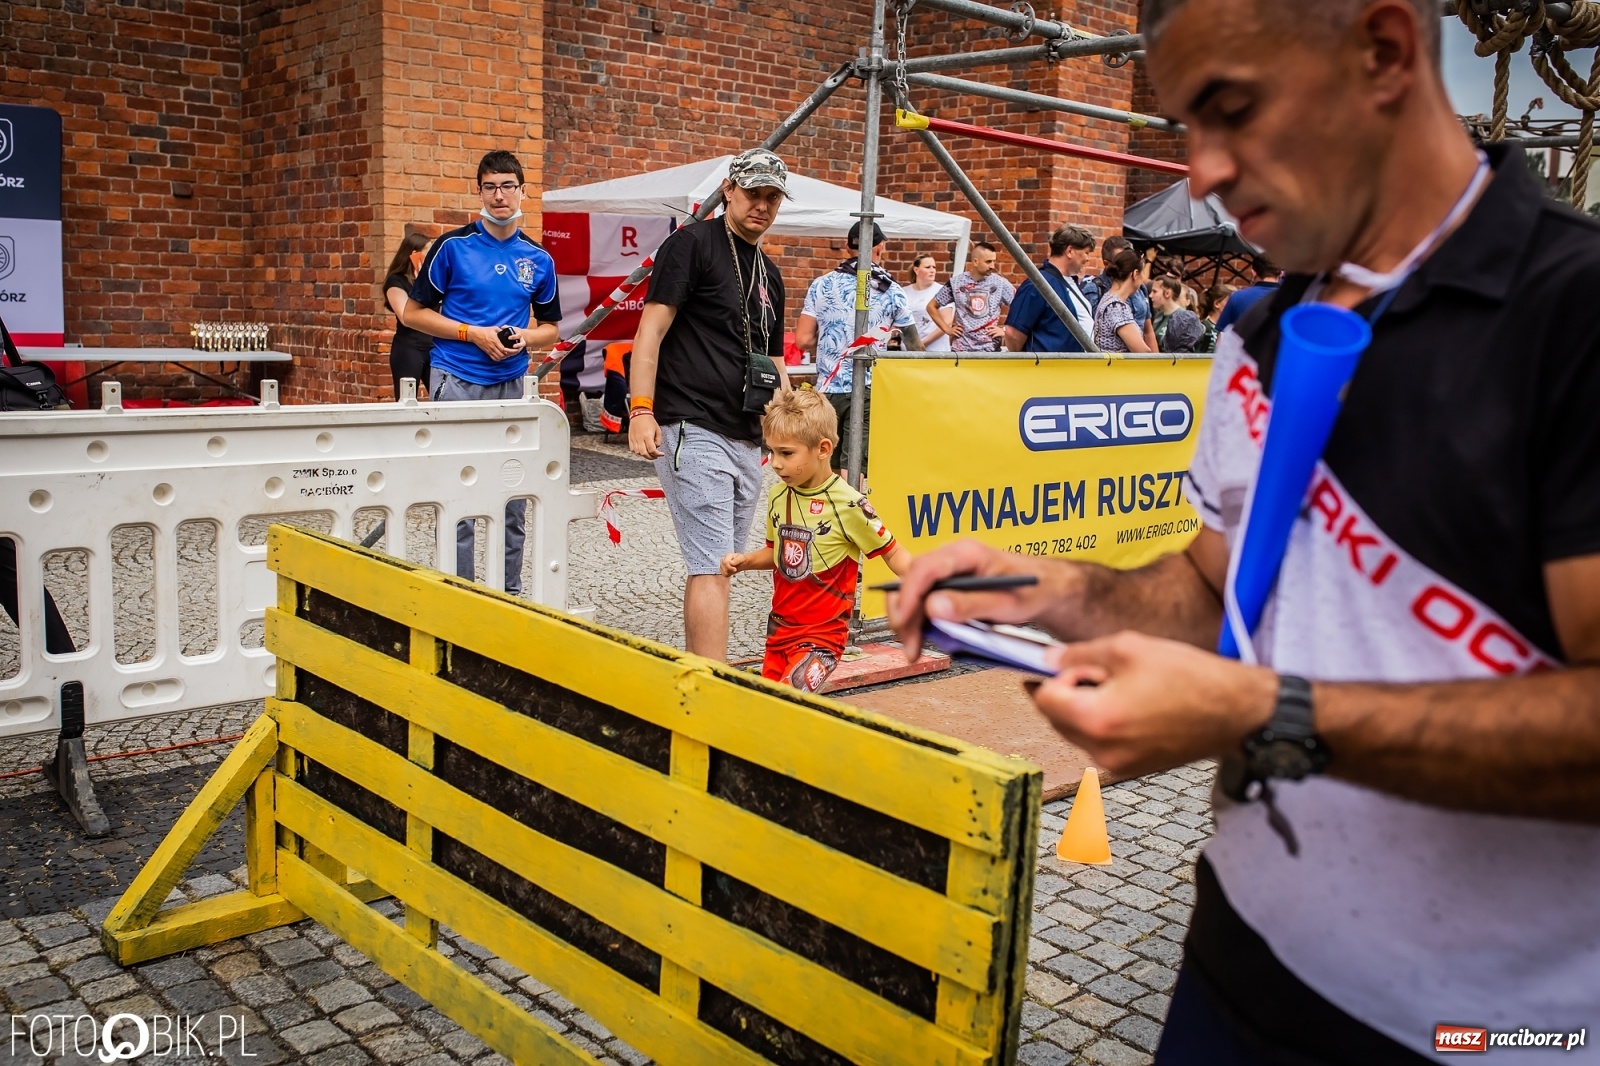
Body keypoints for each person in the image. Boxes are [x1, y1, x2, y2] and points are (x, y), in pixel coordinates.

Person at [890, 0, 1600, 1059]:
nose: (1203, 172)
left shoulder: (1575, 313)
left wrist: (1271, 715)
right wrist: (1051, 589)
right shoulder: (1258, 331)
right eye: (1184, 127)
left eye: (1231, 109)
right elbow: (1214, 584)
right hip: (1234, 969)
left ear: (1385, 50)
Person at [626, 148, 791, 662]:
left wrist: (793, 428)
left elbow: (774, 360)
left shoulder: (770, 272)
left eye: (772, 197)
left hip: (745, 436)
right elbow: (648, 333)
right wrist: (640, 410)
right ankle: (709, 687)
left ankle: (707, 680)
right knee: (714, 563)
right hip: (691, 425)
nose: (761, 206)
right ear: (729, 191)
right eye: (752, 194)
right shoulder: (692, 243)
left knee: (728, 562)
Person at [404, 150, 560, 596]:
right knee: (459, 492)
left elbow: (550, 329)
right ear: (479, 192)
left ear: (522, 191)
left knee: (512, 494)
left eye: (507, 185)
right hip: (455, 377)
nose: (499, 195)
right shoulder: (452, 248)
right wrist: (472, 333)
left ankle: (508, 593)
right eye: (490, 186)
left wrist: (523, 338)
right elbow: (414, 315)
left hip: (511, 383)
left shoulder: (538, 258)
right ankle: (459, 594)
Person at [721, 390, 912, 692]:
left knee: (787, 699)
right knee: (767, 708)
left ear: (822, 449)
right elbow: (778, 554)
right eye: (770, 451)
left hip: (822, 638)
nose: (775, 463)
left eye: (786, 453)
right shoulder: (777, 497)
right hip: (780, 631)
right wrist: (744, 562)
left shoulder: (849, 505)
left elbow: (892, 551)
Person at [794, 220, 921, 476]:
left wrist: (832, 331)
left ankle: (824, 513)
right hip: (868, 387)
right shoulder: (891, 290)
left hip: (827, 388)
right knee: (855, 466)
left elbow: (803, 340)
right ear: (880, 247)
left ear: (846, 246)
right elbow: (915, 345)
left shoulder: (821, 285)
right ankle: (850, 512)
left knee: (823, 459)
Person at [1002, 224, 1096, 352]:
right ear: (1070, 251)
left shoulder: (1068, 282)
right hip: (1049, 369)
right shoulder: (1038, 284)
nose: (1088, 258)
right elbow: (1013, 334)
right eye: (1086, 252)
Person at [928, 242, 1015, 352]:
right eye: (988, 262)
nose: (992, 266)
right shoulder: (956, 283)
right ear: (975, 262)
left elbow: (1021, 308)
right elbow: (931, 306)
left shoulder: (1000, 283)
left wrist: (1005, 330)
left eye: (994, 261)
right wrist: (947, 329)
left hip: (990, 350)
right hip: (961, 350)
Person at [1082, 235, 1159, 350]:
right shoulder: (1116, 307)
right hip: (1120, 367)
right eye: (1142, 273)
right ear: (1135, 274)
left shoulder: (1111, 300)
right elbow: (1143, 352)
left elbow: (1148, 331)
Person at [382, 231, 432, 399]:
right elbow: (406, 317)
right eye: (428, 251)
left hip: (434, 347)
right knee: (406, 400)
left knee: (444, 397)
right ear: (414, 254)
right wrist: (421, 284)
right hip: (409, 348)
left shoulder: (431, 280)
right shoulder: (396, 281)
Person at [1215, 252, 1284, 332]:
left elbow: (1223, 336)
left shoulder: (1237, 297)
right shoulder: (1294, 299)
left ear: (1253, 272)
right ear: (1281, 273)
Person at [905, 253, 951, 351]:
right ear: (916, 270)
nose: (932, 270)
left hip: (936, 351)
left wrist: (922, 343)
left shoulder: (943, 291)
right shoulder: (904, 292)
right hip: (908, 351)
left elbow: (947, 322)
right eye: (928, 267)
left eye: (934, 267)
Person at [1152, 275, 1206, 352]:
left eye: (1155, 291)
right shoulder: (1159, 315)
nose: (1150, 295)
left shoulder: (1185, 318)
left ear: (1167, 293)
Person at [1199, 282, 1234, 352]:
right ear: (1217, 304)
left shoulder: (1229, 327)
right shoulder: (1203, 327)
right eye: (1230, 300)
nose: (1233, 303)